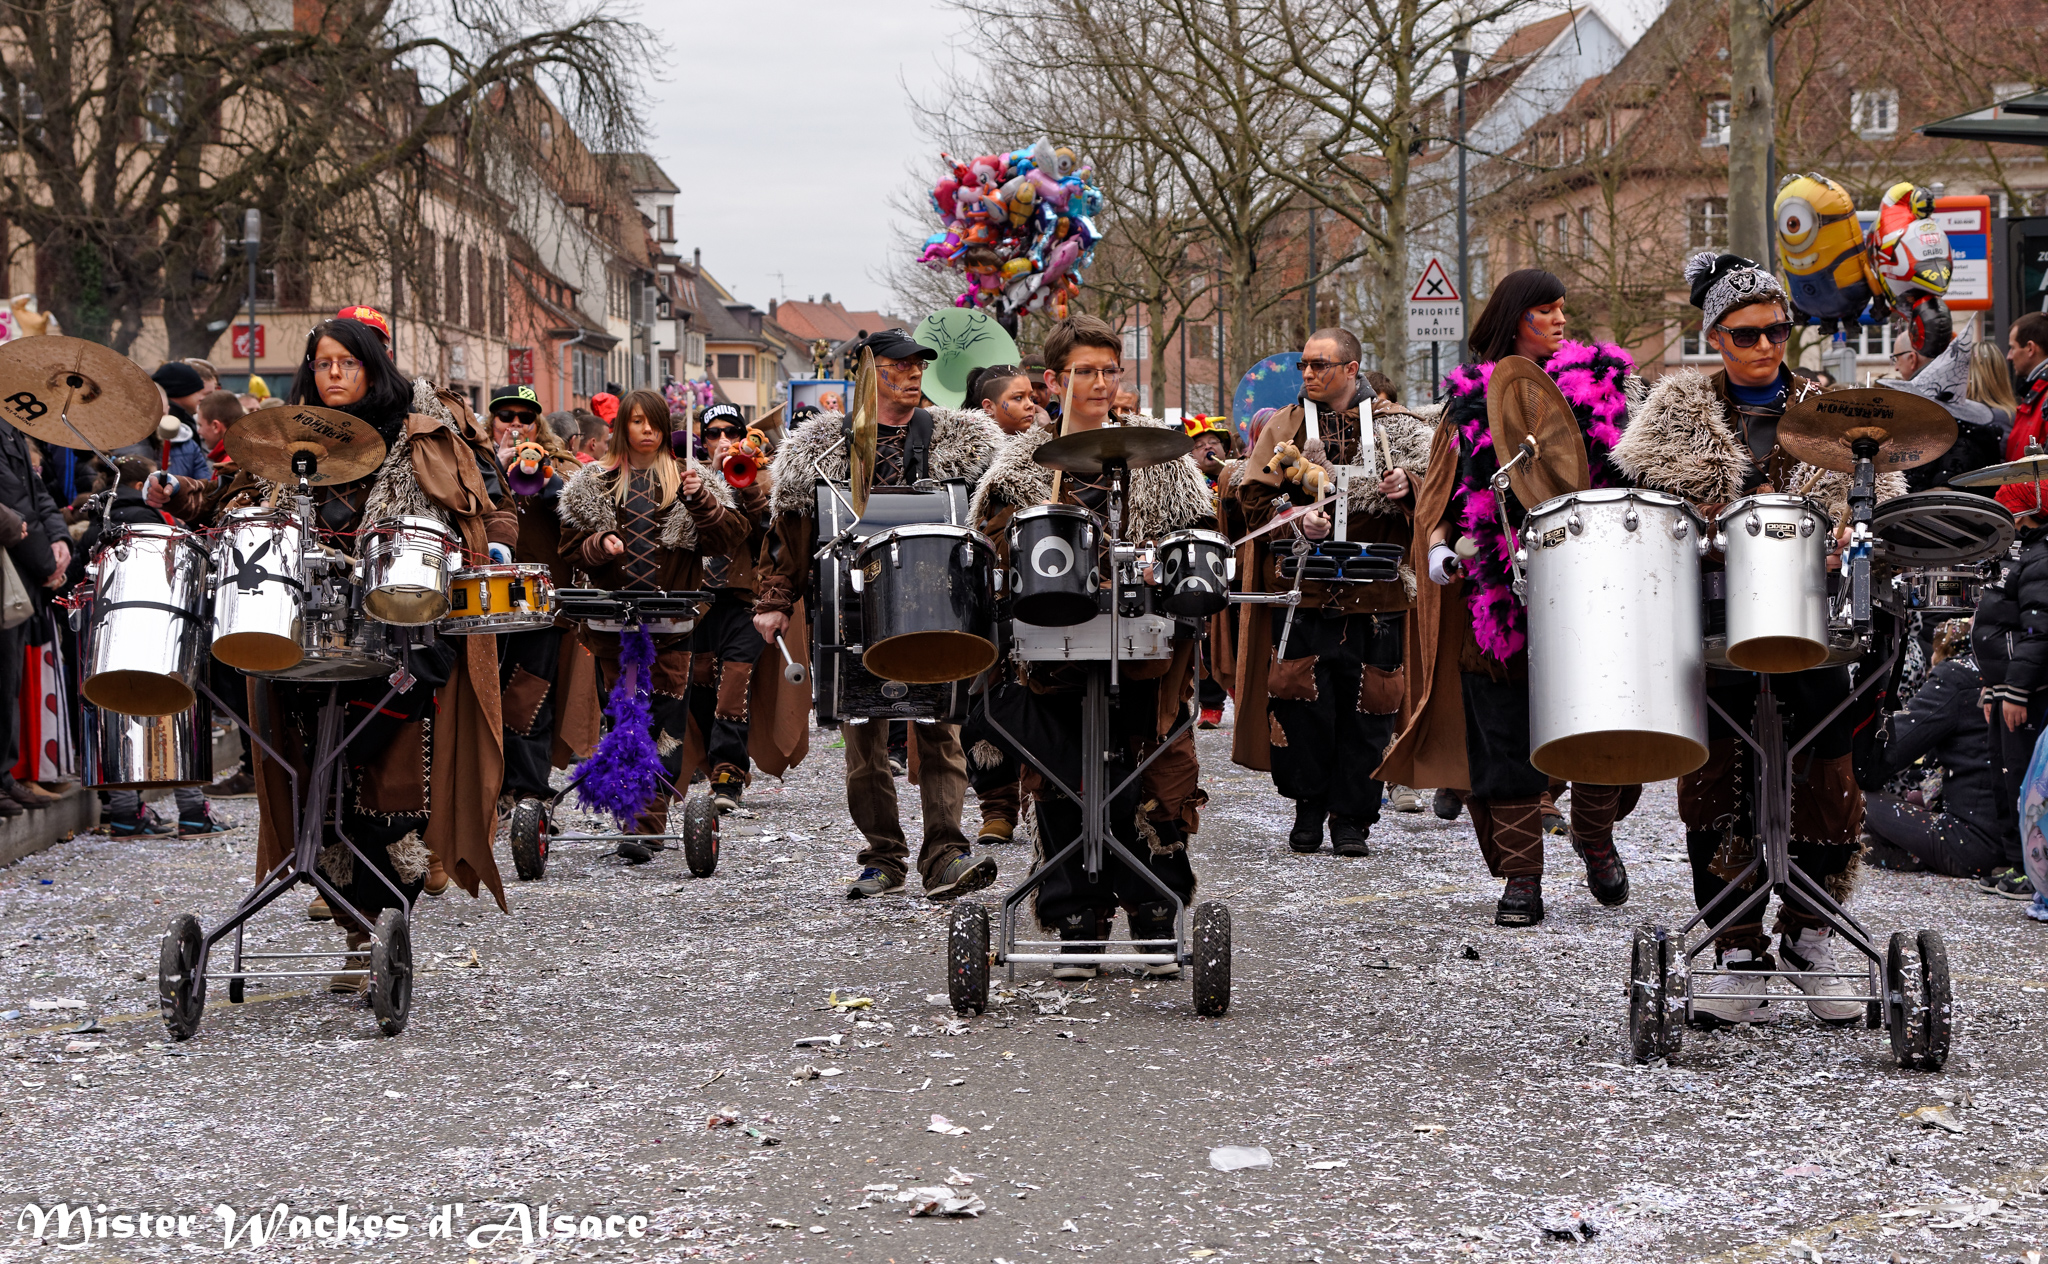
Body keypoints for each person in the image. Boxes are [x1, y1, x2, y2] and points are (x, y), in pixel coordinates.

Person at [149, 314, 517, 989]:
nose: (335, 374)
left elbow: (491, 503)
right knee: (321, 786)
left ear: (374, 364)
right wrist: (179, 494)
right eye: (323, 364)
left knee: (393, 791)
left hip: (404, 630)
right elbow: (229, 498)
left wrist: (491, 545)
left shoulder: (423, 430)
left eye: (347, 361)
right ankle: (358, 930)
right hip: (301, 633)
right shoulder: (286, 439)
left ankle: (383, 924)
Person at [1614, 252, 1905, 1025]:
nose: (1766, 345)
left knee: (1826, 764)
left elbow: (1885, 490)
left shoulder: (1835, 405)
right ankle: (1738, 943)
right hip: (1709, 616)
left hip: (1813, 615)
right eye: (1747, 334)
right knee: (1715, 775)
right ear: (1716, 336)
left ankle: (1811, 936)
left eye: (1778, 330)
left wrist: (1856, 521)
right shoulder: (1676, 413)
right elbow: (1638, 508)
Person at [1380, 269, 1637, 926]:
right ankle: (1522, 878)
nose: (1557, 320)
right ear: (1512, 319)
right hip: (1497, 596)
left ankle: (1596, 837)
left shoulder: (1605, 389)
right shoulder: (1469, 403)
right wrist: (1438, 545)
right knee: (1502, 735)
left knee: (1603, 728)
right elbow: (1443, 493)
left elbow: (1639, 485)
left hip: (1592, 587)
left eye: (1561, 309)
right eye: (1542, 311)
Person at [969, 314, 1213, 977]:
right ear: (1054, 380)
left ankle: (1156, 916)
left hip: (1142, 647)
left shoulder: (1164, 463)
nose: (1102, 383)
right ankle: (1076, 921)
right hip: (1048, 650)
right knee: (1061, 780)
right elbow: (989, 549)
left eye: (1111, 370)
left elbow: (1201, 543)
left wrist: (1167, 566)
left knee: (1150, 772)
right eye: (1087, 371)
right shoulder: (1017, 467)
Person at [755, 329, 1004, 901]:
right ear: (869, 370)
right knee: (864, 738)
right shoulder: (818, 447)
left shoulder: (960, 440)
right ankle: (883, 856)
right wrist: (772, 602)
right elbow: (789, 537)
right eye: (900, 365)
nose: (914, 374)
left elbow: (990, 519)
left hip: (935, 604)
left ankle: (946, 854)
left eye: (919, 365)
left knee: (940, 730)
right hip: (850, 610)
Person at [1233, 329, 1433, 855]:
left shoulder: (1400, 429)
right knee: (1300, 704)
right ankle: (1308, 807)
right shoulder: (1286, 426)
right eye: (1304, 365)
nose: (1309, 375)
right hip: (1304, 589)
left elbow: (1444, 497)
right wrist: (1296, 521)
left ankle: (1353, 819)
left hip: (1380, 595)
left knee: (1371, 710)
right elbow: (1252, 497)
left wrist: (1411, 484)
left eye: (1321, 365)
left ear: (1352, 368)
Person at [557, 390, 749, 861]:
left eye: (654, 421)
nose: (646, 429)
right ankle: (630, 813)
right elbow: (569, 548)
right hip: (611, 625)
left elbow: (727, 539)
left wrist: (702, 501)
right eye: (637, 421)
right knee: (621, 715)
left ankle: (646, 821)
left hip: (672, 623)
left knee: (665, 720)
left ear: (665, 427)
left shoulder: (690, 479)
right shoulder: (593, 484)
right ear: (623, 426)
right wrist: (600, 543)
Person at [88, 457, 234, 835]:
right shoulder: (161, 524)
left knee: (117, 714)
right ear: (145, 485)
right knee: (175, 709)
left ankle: (124, 813)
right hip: (164, 626)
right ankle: (192, 811)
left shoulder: (101, 521)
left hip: (107, 632)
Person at [682, 403, 807, 812]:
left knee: (734, 683)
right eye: (712, 433)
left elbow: (773, 532)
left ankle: (728, 777)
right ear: (701, 440)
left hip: (743, 598)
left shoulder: (764, 476)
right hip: (698, 600)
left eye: (730, 431)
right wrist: (709, 481)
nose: (721, 440)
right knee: (700, 685)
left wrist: (744, 481)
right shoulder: (687, 477)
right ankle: (707, 762)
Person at [1864, 620, 2003, 876]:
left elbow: (1892, 751)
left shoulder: (1960, 675)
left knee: (1854, 798)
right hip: (2023, 842)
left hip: (1970, 844)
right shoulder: (2023, 675)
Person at [1184, 416, 1240, 730]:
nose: (1207, 449)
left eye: (1213, 444)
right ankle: (1211, 703)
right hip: (1201, 564)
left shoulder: (1239, 476)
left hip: (1235, 563)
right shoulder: (1186, 486)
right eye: (1199, 446)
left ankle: (1237, 687)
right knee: (1204, 635)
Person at [145, 364, 215, 481]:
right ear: (180, 391)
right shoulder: (136, 441)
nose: (202, 398)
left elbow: (204, 484)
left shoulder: (186, 435)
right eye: (197, 391)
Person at [973, 365, 1043, 436]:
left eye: (1031, 397)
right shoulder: (970, 445)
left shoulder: (1043, 439)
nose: (1031, 405)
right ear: (989, 407)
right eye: (1018, 398)